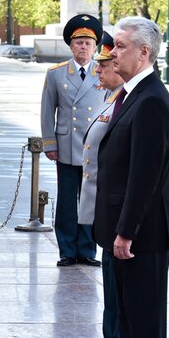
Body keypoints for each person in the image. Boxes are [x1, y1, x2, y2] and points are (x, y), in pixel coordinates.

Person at [91, 16, 169, 338]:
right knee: (128, 317)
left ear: (144, 52)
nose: (112, 52)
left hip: (143, 234)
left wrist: (127, 231)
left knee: (144, 321)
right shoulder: (131, 95)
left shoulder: (153, 100)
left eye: (121, 46)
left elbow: (146, 175)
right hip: (124, 229)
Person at [40, 14, 104, 267]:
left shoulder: (104, 72)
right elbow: (48, 111)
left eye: (88, 43)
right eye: (79, 43)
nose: (83, 48)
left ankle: (88, 249)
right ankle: (67, 249)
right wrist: (49, 143)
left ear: (95, 46)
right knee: (67, 201)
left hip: (94, 147)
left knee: (90, 200)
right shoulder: (56, 74)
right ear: (70, 45)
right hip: (66, 146)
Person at [78, 32, 125, 338]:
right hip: (102, 203)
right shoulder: (111, 99)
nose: (98, 71)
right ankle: (110, 337)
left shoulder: (123, 101)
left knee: (115, 278)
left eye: (103, 66)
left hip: (113, 204)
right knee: (108, 276)